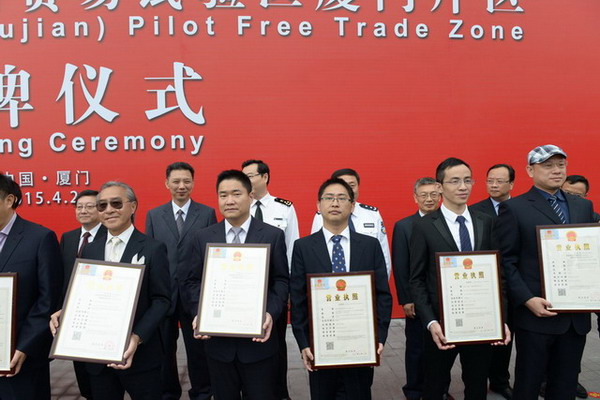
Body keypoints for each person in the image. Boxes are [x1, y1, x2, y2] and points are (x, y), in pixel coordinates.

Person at [52, 181, 171, 400]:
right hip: (97, 355)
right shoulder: (90, 250)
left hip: (141, 355)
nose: (109, 210)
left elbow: (161, 300)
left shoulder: (153, 248)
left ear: (133, 206)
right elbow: (84, 294)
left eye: (116, 203)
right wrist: (66, 311)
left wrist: (137, 337)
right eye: (102, 205)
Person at [495, 145, 595, 399]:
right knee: (528, 384)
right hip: (536, 315)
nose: (556, 170)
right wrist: (527, 299)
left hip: (575, 317)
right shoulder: (514, 208)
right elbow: (506, 261)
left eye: (561, 165)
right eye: (548, 166)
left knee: (565, 385)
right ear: (530, 171)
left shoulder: (582, 206)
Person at [409, 158, 509, 400]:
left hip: (480, 322)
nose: (463, 187)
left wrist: (501, 318)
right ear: (440, 186)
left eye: (467, 180)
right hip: (441, 325)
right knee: (434, 385)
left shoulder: (486, 221)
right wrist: (430, 322)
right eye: (455, 181)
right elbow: (417, 279)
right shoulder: (424, 226)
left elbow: (499, 274)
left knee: (477, 384)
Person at [184, 170, 289, 400]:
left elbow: (281, 281)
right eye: (223, 195)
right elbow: (192, 281)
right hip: (218, 346)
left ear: (250, 196)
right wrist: (199, 311)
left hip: (258, 345)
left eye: (236, 194)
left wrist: (270, 312)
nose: (229, 200)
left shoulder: (272, 235)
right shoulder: (203, 237)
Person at [291, 177, 392, 400]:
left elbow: (382, 295)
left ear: (352, 206)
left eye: (341, 198)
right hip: (320, 345)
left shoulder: (369, 245)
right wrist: (304, 343)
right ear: (318, 205)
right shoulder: (303, 247)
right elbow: (298, 299)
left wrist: (380, 337)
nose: (335, 203)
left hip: (360, 343)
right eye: (328, 198)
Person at [145, 162, 216, 400]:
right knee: (164, 349)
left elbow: (211, 255)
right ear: (167, 183)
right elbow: (150, 256)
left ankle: (202, 392)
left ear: (193, 183)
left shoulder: (206, 213)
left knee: (198, 350)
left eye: (186, 181)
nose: (181, 186)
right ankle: (168, 392)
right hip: (164, 295)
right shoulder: (154, 215)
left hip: (194, 294)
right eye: (176, 181)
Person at [0, 174, 62, 400]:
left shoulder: (40, 238)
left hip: (21, 356)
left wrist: (25, 346)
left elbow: (48, 300)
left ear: (9, 200)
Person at [241, 159, 299, 400]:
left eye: (250, 176)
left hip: (275, 288)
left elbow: (293, 249)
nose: (245, 181)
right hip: (244, 287)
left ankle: (279, 392)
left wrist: (290, 291)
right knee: (246, 343)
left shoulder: (284, 208)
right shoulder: (240, 206)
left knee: (276, 343)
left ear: (264, 177)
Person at [392, 177, 451, 400]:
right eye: (424, 195)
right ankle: (415, 390)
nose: (429, 199)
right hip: (417, 300)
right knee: (417, 348)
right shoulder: (405, 226)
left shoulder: (448, 223)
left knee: (443, 347)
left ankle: (441, 390)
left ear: (441, 196)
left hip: (444, 299)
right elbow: (400, 265)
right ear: (415, 198)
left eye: (434, 194)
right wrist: (406, 299)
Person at [55, 189, 107, 399]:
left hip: (100, 313)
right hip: (74, 314)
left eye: (89, 206)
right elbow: (62, 277)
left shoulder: (109, 235)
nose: (83, 210)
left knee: (101, 375)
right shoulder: (68, 237)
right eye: (79, 207)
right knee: (82, 371)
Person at [470, 164, 515, 400]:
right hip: (485, 283)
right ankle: (479, 381)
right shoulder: (474, 211)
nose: (494, 185)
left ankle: (500, 381)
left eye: (499, 181)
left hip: (514, 282)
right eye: (490, 181)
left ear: (511, 184)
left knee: (508, 336)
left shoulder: (520, 209)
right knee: (485, 337)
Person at [311, 168, 391, 278]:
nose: (347, 189)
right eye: (342, 184)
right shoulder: (321, 215)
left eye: (351, 185)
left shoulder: (372, 214)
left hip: (365, 283)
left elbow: (384, 255)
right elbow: (315, 252)